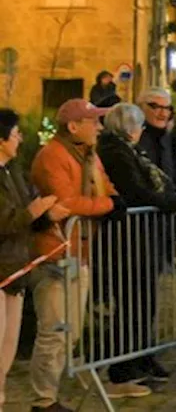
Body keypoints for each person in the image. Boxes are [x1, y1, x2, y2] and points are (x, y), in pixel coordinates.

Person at [30, 99, 135, 409]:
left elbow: (107, 189)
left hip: (79, 252)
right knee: (53, 332)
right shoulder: (53, 156)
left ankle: (52, 395)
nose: (99, 127)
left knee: (70, 331)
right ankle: (43, 400)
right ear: (73, 127)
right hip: (53, 253)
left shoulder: (88, 155)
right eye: (93, 122)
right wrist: (108, 206)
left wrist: (112, 200)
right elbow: (67, 203)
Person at [98, 104, 176, 385]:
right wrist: (166, 202)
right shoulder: (115, 152)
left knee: (145, 302)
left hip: (145, 237)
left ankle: (143, 354)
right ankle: (124, 364)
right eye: (139, 126)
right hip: (129, 240)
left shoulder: (131, 150)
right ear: (129, 128)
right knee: (132, 302)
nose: (142, 131)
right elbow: (134, 191)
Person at [0, 109, 68, 409]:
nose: (20, 139)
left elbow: (27, 208)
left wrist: (44, 218)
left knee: (7, 348)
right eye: (16, 134)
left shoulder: (13, 170)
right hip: (2, 269)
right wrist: (35, 211)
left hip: (15, 267)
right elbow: (7, 220)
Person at [136, 87, 176, 180]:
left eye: (167, 108)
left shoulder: (168, 137)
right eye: (156, 107)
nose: (163, 114)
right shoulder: (134, 137)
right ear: (140, 107)